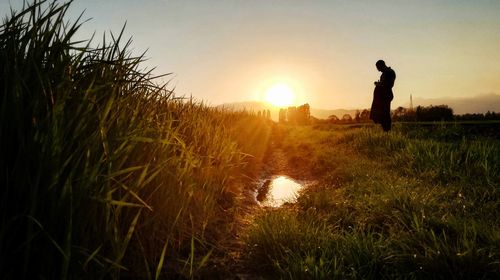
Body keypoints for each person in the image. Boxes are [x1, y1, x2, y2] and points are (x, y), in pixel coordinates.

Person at [370, 60, 396, 131]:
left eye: (378, 68)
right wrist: (379, 84)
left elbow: (389, 84)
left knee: (386, 114)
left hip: (386, 96)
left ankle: (387, 130)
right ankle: (385, 130)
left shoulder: (390, 72)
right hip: (381, 97)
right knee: (382, 114)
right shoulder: (384, 73)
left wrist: (379, 84)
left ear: (381, 65)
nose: (378, 70)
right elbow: (384, 83)